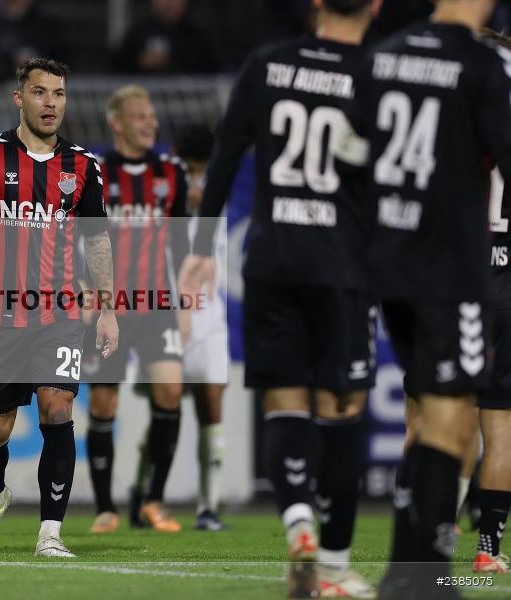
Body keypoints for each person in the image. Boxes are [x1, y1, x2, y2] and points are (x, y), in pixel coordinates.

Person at [182, 0, 383, 596]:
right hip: (342, 262)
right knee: (342, 408)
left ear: (317, 4)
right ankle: (336, 564)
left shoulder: (267, 63)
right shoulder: (375, 75)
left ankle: (297, 521)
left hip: (271, 258)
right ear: (375, 6)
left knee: (284, 401)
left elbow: (223, 156)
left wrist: (199, 244)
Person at [331, 1, 511, 596]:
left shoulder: (386, 56)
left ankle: (404, 574)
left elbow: (347, 156)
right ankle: (427, 572)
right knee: (453, 423)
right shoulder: (479, 66)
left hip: (392, 264)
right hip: (457, 267)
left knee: (428, 415)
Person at [0, 57, 118, 558]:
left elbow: (99, 241)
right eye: (41, 93)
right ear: (19, 98)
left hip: (61, 314)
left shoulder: (84, 166)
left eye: (59, 94)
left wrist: (107, 308)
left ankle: (50, 534)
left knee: (57, 408)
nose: (51, 104)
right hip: (1, 316)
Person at [82, 85, 189, 534]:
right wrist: (85, 289)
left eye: (153, 116)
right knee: (104, 403)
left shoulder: (171, 172)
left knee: (170, 390)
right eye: (141, 116)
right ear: (117, 122)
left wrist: (184, 299)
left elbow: (181, 240)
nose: (151, 123)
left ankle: (153, 500)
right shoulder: (94, 171)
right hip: (109, 309)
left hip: (157, 303)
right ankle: (105, 507)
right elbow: (76, 237)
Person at [128, 124, 229, 533]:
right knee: (164, 408)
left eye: (206, 171)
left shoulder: (214, 197)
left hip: (210, 318)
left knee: (212, 409)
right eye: (192, 170)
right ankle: (143, 493)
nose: (199, 181)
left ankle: (209, 506)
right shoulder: (158, 197)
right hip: (165, 312)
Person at [470, 27, 511, 575]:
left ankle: (423, 560)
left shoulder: (469, 105)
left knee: (434, 421)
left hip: (469, 267)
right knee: (501, 426)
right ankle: (488, 553)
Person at [112, 0, 217, 74]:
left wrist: (173, 62)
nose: (170, 3)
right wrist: (141, 62)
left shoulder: (197, 35)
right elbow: (116, 69)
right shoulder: (138, 32)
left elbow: (212, 70)